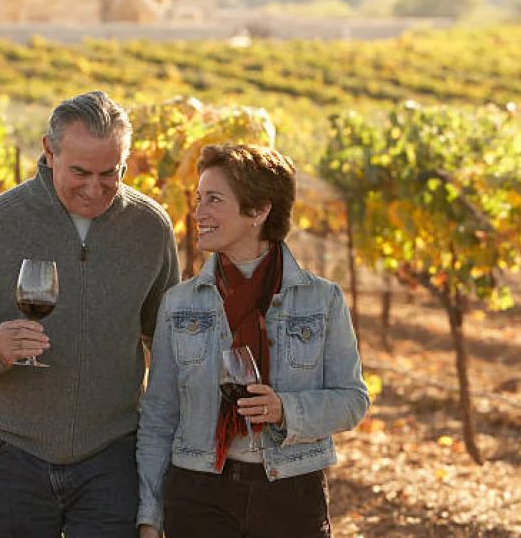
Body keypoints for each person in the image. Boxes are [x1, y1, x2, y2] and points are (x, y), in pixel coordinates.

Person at [0, 91, 180, 538]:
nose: (95, 188)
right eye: (80, 172)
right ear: (48, 151)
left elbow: (170, 343)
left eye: (110, 173)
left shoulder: (150, 227)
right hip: (11, 454)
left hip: (112, 455)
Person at [136, 144, 370, 538]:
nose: (199, 212)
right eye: (198, 199)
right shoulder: (178, 304)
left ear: (259, 210)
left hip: (291, 492)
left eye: (214, 199)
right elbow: (159, 417)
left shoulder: (322, 300)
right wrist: (149, 516)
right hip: (197, 493)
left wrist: (285, 410)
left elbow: (353, 400)